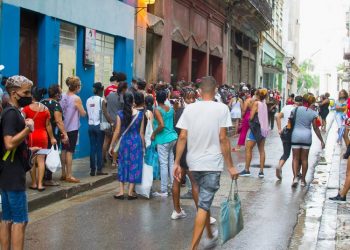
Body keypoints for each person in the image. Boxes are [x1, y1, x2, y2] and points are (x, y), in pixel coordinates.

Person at [174, 76, 239, 250]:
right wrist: (231, 166)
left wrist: (176, 163)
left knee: (204, 197)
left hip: (193, 163)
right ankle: (193, 247)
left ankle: (209, 235)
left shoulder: (189, 109)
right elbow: (223, 139)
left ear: (199, 92)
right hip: (212, 164)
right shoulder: (222, 108)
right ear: (216, 90)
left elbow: (182, 137)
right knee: (203, 204)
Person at [0, 75, 37, 250]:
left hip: (7, 171)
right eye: (26, 92)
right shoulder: (12, 114)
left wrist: (30, 150)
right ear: (14, 93)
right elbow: (9, 143)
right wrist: (28, 129)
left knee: (7, 218)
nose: (29, 96)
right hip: (13, 174)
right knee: (20, 221)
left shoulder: (8, 111)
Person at [109, 92, 145, 200]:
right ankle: (130, 192)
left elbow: (117, 131)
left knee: (123, 164)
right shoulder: (140, 114)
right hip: (136, 142)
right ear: (133, 100)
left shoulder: (120, 114)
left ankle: (120, 192)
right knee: (134, 165)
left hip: (124, 142)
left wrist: (112, 145)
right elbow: (141, 133)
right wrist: (143, 146)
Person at [22, 87, 57, 191]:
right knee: (41, 160)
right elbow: (48, 125)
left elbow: (21, 121)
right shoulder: (45, 109)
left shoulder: (26, 108)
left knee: (32, 160)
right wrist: (52, 138)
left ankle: (33, 183)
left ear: (32, 96)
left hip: (31, 136)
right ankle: (41, 184)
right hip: (43, 136)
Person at [171, 88, 198, 220]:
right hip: (188, 148)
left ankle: (176, 210)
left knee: (177, 180)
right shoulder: (192, 112)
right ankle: (202, 213)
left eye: (193, 98)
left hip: (180, 148)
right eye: (189, 98)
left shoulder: (178, 111)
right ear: (184, 98)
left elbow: (176, 129)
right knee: (194, 182)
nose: (192, 100)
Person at [291, 94, 325, 187]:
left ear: (303, 100)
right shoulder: (313, 113)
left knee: (295, 158)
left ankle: (295, 178)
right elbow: (315, 128)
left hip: (296, 136)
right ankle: (303, 180)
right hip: (306, 137)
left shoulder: (295, 109)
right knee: (304, 159)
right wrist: (321, 140)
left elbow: (290, 122)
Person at [151, 90, 178, 197]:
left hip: (163, 139)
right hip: (173, 137)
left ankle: (164, 190)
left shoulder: (157, 110)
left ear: (156, 98)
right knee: (171, 163)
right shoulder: (170, 109)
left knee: (163, 164)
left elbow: (161, 125)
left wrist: (153, 133)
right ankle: (172, 186)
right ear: (166, 98)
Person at [60, 76, 86, 183]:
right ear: (77, 87)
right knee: (70, 152)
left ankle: (63, 173)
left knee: (63, 150)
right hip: (72, 128)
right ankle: (69, 175)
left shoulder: (62, 96)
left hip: (62, 128)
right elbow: (83, 113)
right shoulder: (76, 98)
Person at [41, 84, 68, 186]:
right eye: (60, 92)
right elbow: (58, 121)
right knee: (50, 154)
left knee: (42, 156)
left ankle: (41, 178)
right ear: (57, 94)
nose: (61, 94)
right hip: (52, 134)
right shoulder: (56, 105)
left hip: (42, 132)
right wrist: (65, 134)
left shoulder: (42, 103)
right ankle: (48, 178)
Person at [240, 88, 269, 178]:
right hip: (263, 129)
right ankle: (261, 172)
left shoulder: (256, 103)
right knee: (262, 150)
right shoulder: (264, 104)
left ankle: (247, 170)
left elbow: (251, 117)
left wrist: (248, 119)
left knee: (248, 148)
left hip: (256, 129)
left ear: (257, 95)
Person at [275, 96, 303, 180]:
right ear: (301, 102)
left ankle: (279, 166)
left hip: (285, 133)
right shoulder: (301, 110)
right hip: (295, 134)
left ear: (294, 101)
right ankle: (297, 173)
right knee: (297, 155)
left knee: (286, 153)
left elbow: (277, 117)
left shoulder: (286, 107)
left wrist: (279, 129)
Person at [104, 81, 128, 167]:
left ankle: (104, 159)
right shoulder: (122, 97)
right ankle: (114, 161)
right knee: (117, 142)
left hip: (108, 120)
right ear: (124, 89)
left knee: (106, 140)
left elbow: (105, 103)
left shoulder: (110, 95)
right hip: (118, 121)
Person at [86, 82, 108, 176]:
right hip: (99, 126)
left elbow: (87, 114)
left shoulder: (88, 100)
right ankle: (99, 169)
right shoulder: (101, 100)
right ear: (100, 90)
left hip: (90, 126)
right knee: (99, 148)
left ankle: (92, 170)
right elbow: (105, 113)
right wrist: (111, 122)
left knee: (92, 148)